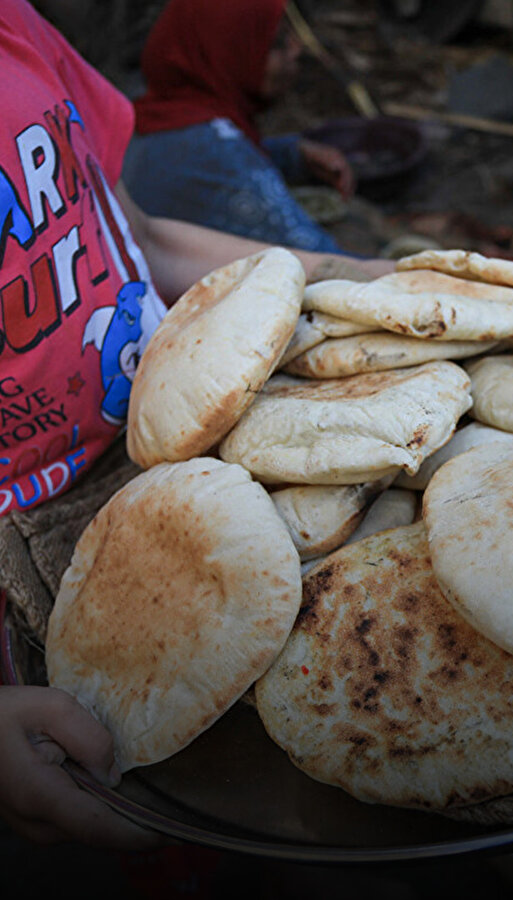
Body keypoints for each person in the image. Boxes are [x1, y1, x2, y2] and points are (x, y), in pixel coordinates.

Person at [0, 0, 390, 849]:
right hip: (28, 564)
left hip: (188, 438)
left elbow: (136, 234)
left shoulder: (16, 29)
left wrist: (359, 275)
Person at [121, 0, 356, 254]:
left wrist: (291, 154)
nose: (296, 50)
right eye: (276, 43)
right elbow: (323, 261)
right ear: (229, 53)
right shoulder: (213, 152)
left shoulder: (154, 115)